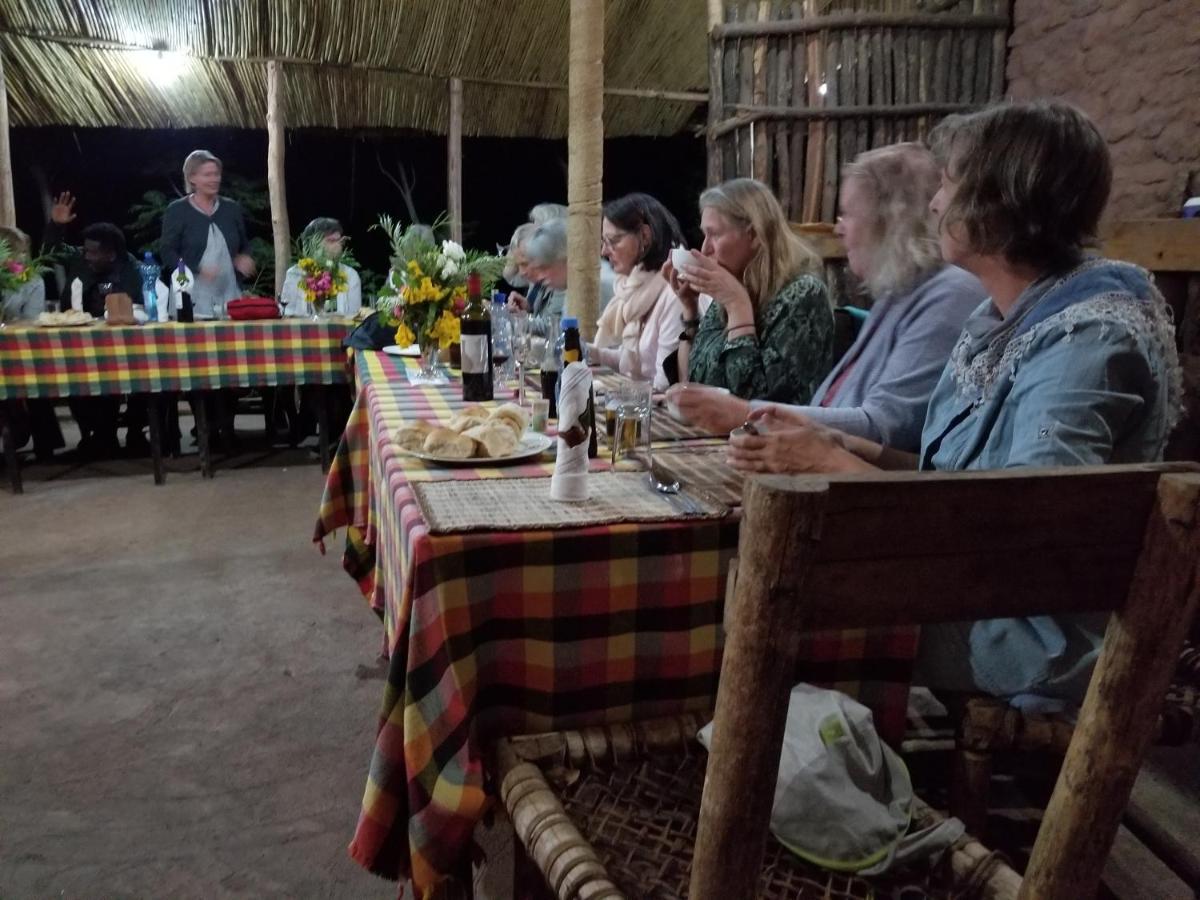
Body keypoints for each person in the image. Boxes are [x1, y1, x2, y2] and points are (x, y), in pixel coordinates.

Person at [727, 101, 1182, 706]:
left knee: (760, 612)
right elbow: (955, 484)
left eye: (948, 184)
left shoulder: (1086, 339)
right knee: (748, 587)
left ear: (998, 201)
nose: (936, 204)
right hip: (965, 587)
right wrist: (842, 444)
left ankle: (749, 782)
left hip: (1022, 636)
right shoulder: (999, 316)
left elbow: (1025, 528)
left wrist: (829, 464)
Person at [667, 144, 985, 450]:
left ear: (891, 220)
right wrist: (693, 313)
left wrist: (742, 411)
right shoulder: (898, 295)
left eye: (848, 214)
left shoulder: (947, 296)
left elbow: (884, 428)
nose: (838, 229)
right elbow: (700, 385)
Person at [663, 178, 834, 405]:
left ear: (754, 235)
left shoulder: (804, 295)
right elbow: (693, 382)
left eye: (714, 234)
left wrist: (737, 306)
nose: (705, 248)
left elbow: (752, 402)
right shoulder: (735, 286)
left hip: (773, 438)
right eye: (704, 235)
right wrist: (690, 310)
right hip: (715, 435)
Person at [41, 195, 144, 455]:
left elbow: (137, 305)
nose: (85, 255)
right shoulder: (78, 259)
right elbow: (49, 252)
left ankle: (136, 432)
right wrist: (56, 225)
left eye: (92, 251)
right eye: (84, 249)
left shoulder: (130, 266)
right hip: (79, 343)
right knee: (73, 378)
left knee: (145, 373)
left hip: (122, 345)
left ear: (111, 254)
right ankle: (97, 434)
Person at [587, 193, 685, 390]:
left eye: (613, 241)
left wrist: (614, 393)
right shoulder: (637, 288)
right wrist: (592, 353)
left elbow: (663, 385)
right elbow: (636, 361)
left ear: (645, 236)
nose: (604, 252)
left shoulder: (676, 291)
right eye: (604, 242)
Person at [160, 150, 255, 318]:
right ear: (192, 178)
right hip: (191, 299)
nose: (214, 179)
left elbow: (245, 245)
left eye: (216, 174)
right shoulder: (177, 210)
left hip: (229, 297)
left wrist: (244, 257)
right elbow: (167, 252)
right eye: (207, 175)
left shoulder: (231, 209)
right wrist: (197, 267)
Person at [280, 217, 362, 317]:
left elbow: (355, 316)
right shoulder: (295, 274)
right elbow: (287, 313)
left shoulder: (350, 275)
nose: (337, 246)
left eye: (339, 241)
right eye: (331, 241)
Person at [521, 218, 569, 326]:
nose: (540, 276)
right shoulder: (570, 287)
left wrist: (517, 320)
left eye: (544, 267)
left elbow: (553, 327)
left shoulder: (593, 287)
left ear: (564, 258)